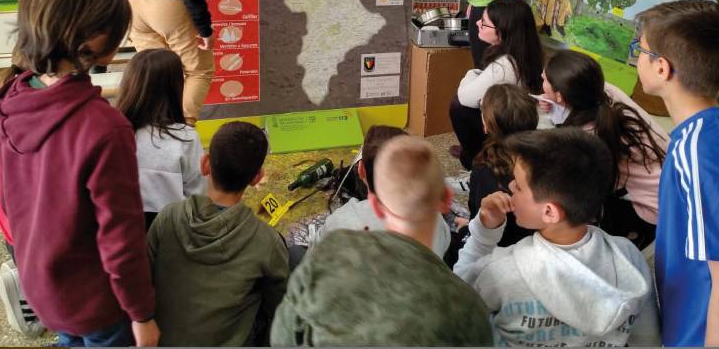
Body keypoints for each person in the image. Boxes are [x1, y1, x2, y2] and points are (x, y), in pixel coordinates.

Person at [0, 0, 158, 347]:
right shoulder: (104, 128)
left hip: (44, 287)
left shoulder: (9, 100)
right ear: (97, 43)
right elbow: (121, 240)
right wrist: (142, 314)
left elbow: (9, 203)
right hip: (100, 304)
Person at [271, 136, 492, 346]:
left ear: (375, 204)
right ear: (446, 199)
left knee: (294, 254)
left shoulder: (335, 244)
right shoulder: (469, 306)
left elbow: (286, 333)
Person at [454, 128, 660, 347]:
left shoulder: (501, 271)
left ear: (550, 212)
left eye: (519, 185)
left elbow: (455, 298)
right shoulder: (628, 255)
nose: (511, 186)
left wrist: (483, 234)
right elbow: (648, 338)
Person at [635, 0, 719, 346]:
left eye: (641, 48)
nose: (637, 55)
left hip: (696, 334)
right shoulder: (718, 129)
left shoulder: (695, 152)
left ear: (662, 68)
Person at [148, 121, 288, 346]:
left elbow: (145, 275)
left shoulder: (167, 217)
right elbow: (282, 305)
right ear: (257, 178)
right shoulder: (266, 241)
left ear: (205, 164)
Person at [540, 49, 667, 249]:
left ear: (561, 95)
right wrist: (555, 104)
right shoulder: (605, 92)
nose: (541, 79)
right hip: (667, 180)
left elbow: (581, 190)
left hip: (653, 208)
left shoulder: (587, 138)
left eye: (545, 80)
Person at [0, 61, 44, 338]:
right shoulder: (37, 131)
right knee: (43, 274)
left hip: (10, 227)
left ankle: (39, 311)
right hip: (35, 226)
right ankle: (48, 313)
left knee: (27, 270)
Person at [313, 125, 451, 258]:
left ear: (361, 170)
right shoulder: (436, 218)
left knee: (296, 252)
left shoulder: (342, 219)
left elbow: (316, 254)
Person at [117, 48, 207, 230]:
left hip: (121, 230)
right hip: (172, 234)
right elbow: (198, 198)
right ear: (175, 86)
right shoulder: (185, 137)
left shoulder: (114, 132)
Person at [449, 0, 543, 169]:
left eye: (484, 23)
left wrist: (471, 73)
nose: (477, 23)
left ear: (502, 32)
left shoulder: (506, 65)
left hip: (513, 129)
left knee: (458, 107)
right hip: (520, 121)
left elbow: (465, 97)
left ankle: (476, 163)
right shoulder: (525, 50)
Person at [467, 83, 538, 247]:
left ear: (486, 126)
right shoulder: (548, 156)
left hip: (498, 248)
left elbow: (479, 216)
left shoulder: (484, 170)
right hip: (540, 242)